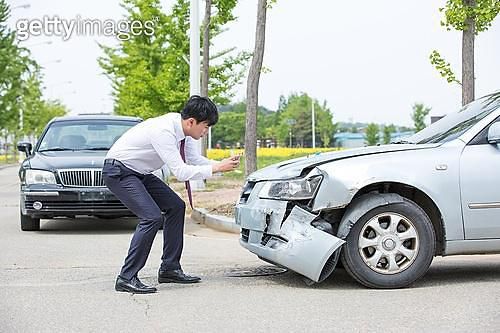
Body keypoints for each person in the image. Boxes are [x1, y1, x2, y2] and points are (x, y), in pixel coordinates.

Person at [102, 95, 240, 294]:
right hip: (119, 172)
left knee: (176, 206)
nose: (206, 131)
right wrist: (218, 168)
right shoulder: (163, 131)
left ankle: (170, 268)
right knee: (151, 217)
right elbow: (181, 172)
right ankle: (126, 277)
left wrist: (219, 164)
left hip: (140, 172)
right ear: (191, 121)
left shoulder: (185, 131)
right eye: (206, 126)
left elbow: (192, 159)